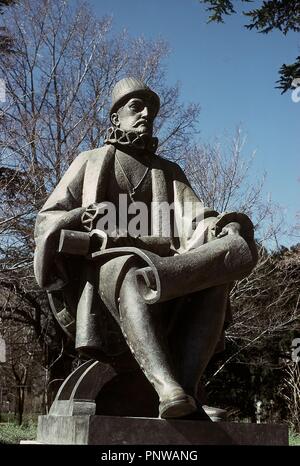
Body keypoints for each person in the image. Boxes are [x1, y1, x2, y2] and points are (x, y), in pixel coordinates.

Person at [34, 77, 257, 420]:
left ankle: (186, 392)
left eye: (150, 109)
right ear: (115, 117)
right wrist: (83, 218)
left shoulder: (168, 171)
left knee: (215, 281)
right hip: (106, 263)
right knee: (132, 272)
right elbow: (50, 217)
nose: (146, 114)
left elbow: (195, 217)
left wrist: (222, 227)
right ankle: (167, 388)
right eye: (136, 107)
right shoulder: (90, 161)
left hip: (167, 266)